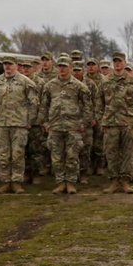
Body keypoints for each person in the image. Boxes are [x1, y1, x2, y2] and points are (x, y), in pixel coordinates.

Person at [41, 55, 92, 194]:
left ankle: (70, 182)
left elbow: (88, 107)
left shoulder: (79, 86)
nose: (62, 69)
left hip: (72, 127)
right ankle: (60, 182)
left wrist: (83, 123)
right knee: (57, 156)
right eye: (60, 66)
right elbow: (44, 106)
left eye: (65, 66)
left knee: (71, 156)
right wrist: (45, 123)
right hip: (55, 126)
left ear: (70, 67)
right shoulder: (49, 86)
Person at [0, 56, 38, 194]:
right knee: (2, 154)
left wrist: (29, 121)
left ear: (16, 65)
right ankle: (5, 182)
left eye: (10, 64)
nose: (7, 67)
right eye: (5, 64)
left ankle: (16, 182)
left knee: (17, 154)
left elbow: (33, 103)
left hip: (19, 124)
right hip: (1, 124)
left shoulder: (25, 82)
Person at [100, 51, 133, 193]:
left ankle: (126, 182)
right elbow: (99, 102)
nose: (118, 63)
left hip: (128, 123)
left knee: (128, 153)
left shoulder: (132, 81)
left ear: (125, 62)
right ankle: (114, 181)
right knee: (111, 153)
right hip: (111, 123)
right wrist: (102, 119)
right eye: (115, 61)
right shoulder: (106, 81)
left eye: (120, 61)